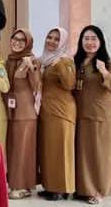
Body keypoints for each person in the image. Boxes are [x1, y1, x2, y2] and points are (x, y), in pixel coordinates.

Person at [73, 25, 111, 204]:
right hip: (81, 115)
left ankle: (100, 191)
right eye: (86, 38)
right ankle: (84, 189)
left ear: (101, 42)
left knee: (101, 154)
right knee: (84, 153)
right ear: (81, 42)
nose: (90, 42)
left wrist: (103, 72)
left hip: (102, 115)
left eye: (94, 39)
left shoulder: (108, 63)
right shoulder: (77, 61)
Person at [37, 27, 76, 201]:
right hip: (47, 110)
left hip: (61, 111)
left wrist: (60, 64)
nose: (51, 41)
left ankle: (62, 188)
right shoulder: (44, 60)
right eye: (49, 37)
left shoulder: (65, 61)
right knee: (49, 150)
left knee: (61, 151)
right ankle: (50, 186)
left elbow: (69, 84)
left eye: (56, 39)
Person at [5, 29, 42, 199]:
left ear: (28, 43)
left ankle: (22, 185)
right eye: (15, 39)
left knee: (22, 149)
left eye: (22, 40)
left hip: (25, 113)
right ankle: (15, 182)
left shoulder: (31, 60)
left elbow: (37, 87)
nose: (17, 42)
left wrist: (31, 68)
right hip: (11, 111)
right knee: (13, 149)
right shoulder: (10, 60)